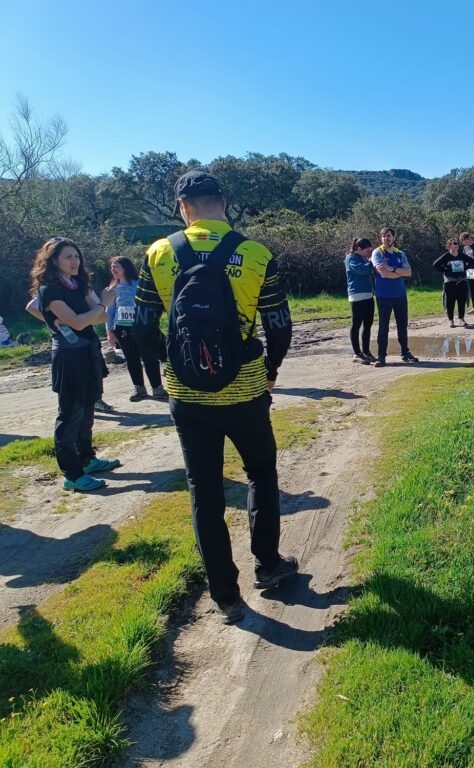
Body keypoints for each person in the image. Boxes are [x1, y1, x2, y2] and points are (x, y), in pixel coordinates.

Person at [133, 171, 297, 624]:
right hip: (246, 390)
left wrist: (171, 365)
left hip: (187, 397)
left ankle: (225, 595)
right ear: (223, 203)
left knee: (204, 490)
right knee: (261, 473)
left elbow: (141, 327)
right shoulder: (256, 253)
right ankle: (268, 565)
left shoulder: (158, 253)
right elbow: (279, 326)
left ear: (182, 207)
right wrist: (269, 371)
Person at [29, 237, 121, 493]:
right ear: (53, 261)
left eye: (77, 256)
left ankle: (87, 460)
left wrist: (93, 311)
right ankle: (72, 474)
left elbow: (99, 317)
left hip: (88, 352)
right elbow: (82, 320)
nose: (74, 261)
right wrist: (99, 305)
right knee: (70, 415)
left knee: (87, 409)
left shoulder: (78, 284)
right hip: (69, 358)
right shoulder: (50, 290)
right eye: (68, 257)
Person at [105, 256, 167, 401]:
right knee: (131, 358)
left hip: (142, 327)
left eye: (116, 266)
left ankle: (157, 388)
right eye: (112, 267)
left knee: (149, 356)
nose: (113, 269)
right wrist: (110, 331)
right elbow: (110, 311)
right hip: (122, 329)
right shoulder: (112, 290)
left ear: (125, 267)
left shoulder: (140, 285)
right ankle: (139, 389)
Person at [372, 227, 419, 365]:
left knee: (402, 326)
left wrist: (392, 269)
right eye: (384, 236)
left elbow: (408, 272)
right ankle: (381, 356)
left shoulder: (400, 253)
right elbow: (384, 274)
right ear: (381, 238)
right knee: (383, 327)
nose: (387, 238)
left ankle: (405, 353)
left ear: (394, 237)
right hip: (384, 295)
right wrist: (399, 272)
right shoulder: (377, 253)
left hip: (400, 295)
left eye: (389, 236)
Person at [345, 237, 376, 364]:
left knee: (368, 325)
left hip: (369, 295)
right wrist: (372, 262)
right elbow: (361, 270)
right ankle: (357, 353)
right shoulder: (351, 258)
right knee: (356, 325)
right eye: (367, 251)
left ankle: (366, 351)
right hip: (357, 296)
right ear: (359, 249)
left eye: (371, 251)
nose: (369, 253)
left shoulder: (365, 259)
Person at [434, 238, 471, 327]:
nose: (457, 244)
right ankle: (450, 320)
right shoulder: (446, 256)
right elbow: (435, 264)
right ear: (449, 245)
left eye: (457, 243)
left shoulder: (462, 255)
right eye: (454, 243)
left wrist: (465, 268)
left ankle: (461, 319)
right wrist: (445, 270)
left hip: (462, 281)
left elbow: (472, 262)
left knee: (461, 300)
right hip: (450, 282)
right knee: (450, 301)